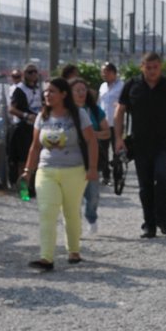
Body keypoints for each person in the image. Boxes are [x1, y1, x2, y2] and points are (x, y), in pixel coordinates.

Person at [115, 52, 166, 238]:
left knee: (163, 176)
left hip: (164, 142)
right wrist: (118, 138)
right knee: (145, 185)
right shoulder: (132, 85)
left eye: (155, 67)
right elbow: (120, 111)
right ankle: (149, 224)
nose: (151, 71)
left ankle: (162, 219)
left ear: (161, 67)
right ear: (142, 66)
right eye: (148, 67)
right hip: (140, 143)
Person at [24, 76, 97, 270]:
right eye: (46, 91)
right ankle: (46, 257)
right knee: (47, 211)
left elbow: (91, 141)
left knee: (71, 211)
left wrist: (92, 168)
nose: (47, 95)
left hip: (74, 170)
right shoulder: (42, 117)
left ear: (64, 94)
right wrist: (27, 171)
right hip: (46, 170)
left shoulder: (78, 115)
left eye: (52, 91)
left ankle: (73, 250)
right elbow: (35, 146)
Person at [69, 76, 110, 238]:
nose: (81, 93)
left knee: (92, 194)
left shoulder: (94, 110)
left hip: (91, 157)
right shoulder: (64, 112)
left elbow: (107, 133)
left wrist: (92, 135)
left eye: (83, 90)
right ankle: (74, 224)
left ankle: (91, 217)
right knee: (73, 195)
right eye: (77, 90)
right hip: (70, 158)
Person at [7, 63, 42, 196]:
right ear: (24, 75)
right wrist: (27, 115)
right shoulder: (19, 89)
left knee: (36, 159)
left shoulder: (38, 89)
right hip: (22, 128)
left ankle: (32, 187)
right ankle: (23, 191)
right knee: (23, 160)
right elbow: (12, 109)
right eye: (29, 72)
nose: (33, 75)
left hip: (36, 127)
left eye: (34, 72)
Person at [97, 62, 123, 184]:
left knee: (117, 150)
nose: (104, 74)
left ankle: (118, 175)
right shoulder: (102, 86)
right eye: (102, 72)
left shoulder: (121, 86)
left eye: (106, 71)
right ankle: (106, 175)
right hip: (104, 124)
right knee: (103, 151)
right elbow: (99, 103)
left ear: (114, 72)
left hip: (116, 124)